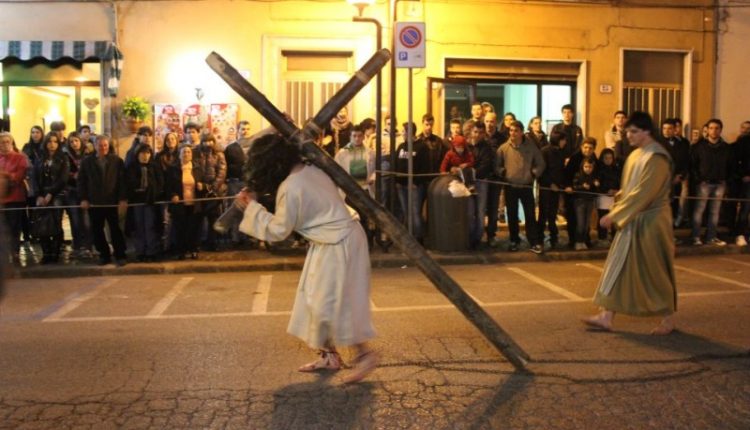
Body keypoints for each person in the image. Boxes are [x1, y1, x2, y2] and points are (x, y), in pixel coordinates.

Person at [235, 133, 377, 383]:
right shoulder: (310, 168)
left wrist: (252, 207)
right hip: (336, 239)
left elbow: (279, 230)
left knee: (332, 303)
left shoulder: (291, 187)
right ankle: (329, 355)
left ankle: (365, 355)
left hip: (338, 242)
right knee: (314, 299)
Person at [583, 111, 677, 335]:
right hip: (633, 219)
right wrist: (620, 199)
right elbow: (633, 187)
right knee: (618, 265)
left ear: (647, 132)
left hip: (651, 222)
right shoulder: (637, 155)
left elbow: (645, 192)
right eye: (627, 132)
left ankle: (668, 318)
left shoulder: (657, 157)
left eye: (634, 131)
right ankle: (606, 315)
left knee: (655, 270)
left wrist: (614, 214)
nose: (629, 136)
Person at [495, 121, 545, 254]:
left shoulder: (531, 147)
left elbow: (540, 163)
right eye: (511, 130)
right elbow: (496, 165)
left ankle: (533, 242)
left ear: (521, 132)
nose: (513, 133)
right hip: (510, 186)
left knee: (530, 215)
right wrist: (502, 172)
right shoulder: (503, 148)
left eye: (516, 131)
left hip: (526, 185)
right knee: (512, 215)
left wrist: (534, 173)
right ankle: (514, 240)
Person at [78, 135, 128, 266]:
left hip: (112, 201)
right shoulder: (86, 162)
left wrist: (123, 199)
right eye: (100, 146)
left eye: (105, 145)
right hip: (95, 202)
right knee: (97, 230)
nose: (103, 148)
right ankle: (104, 254)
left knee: (115, 229)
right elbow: (82, 182)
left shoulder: (117, 161)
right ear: (95, 146)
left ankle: (120, 254)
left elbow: (122, 181)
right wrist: (83, 198)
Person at [689, 119, 732, 246]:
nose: (714, 130)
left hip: (720, 183)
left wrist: (726, 180)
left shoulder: (726, 148)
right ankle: (695, 236)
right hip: (704, 183)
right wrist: (698, 179)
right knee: (699, 211)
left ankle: (711, 237)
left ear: (720, 130)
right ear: (707, 130)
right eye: (711, 128)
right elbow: (693, 165)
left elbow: (730, 165)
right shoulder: (699, 147)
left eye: (717, 128)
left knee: (715, 212)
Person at [32, 132, 69, 264]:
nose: (52, 144)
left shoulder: (63, 158)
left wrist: (51, 193)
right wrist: (38, 195)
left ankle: (55, 253)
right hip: (41, 194)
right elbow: (34, 178)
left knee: (56, 223)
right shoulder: (40, 158)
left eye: (55, 142)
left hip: (57, 194)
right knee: (42, 224)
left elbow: (63, 179)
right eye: (49, 141)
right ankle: (46, 253)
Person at [126, 144, 164, 262]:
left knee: (150, 226)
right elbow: (129, 183)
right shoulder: (132, 167)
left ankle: (151, 251)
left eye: (147, 153)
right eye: (142, 153)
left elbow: (160, 183)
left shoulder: (155, 167)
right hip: (137, 201)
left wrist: (153, 191)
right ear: (137, 154)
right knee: (138, 226)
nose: (145, 156)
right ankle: (140, 251)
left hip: (151, 201)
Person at [165, 145, 203, 260]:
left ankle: (193, 249)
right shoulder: (173, 169)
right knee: (180, 228)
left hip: (194, 203)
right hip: (179, 204)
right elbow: (167, 186)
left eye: (188, 152)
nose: (186, 154)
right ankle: (181, 250)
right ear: (180, 155)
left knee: (193, 228)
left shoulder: (197, 168)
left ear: (191, 155)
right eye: (184, 152)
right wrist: (173, 195)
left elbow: (204, 182)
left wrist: (202, 186)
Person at [194, 133, 227, 252]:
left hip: (214, 192)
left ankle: (212, 243)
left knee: (213, 218)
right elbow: (195, 170)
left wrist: (212, 188)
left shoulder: (219, 155)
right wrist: (200, 185)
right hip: (200, 190)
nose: (208, 144)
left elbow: (221, 173)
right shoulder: (197, 153)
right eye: (205, 141)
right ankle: (198, 242)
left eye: (210, 141)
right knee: (198, 218)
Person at [0, 132, 28, 265]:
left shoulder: (20, 158)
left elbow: (19, 176)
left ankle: (14, 252)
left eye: (7, 142)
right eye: (2, 142)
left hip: (15, 198)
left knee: (14, 227)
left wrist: (5, 175)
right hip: (1, 199)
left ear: (12, 143)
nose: (4, 145)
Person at [63, 132, 92, 259]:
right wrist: (72, 175)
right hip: (72, 190)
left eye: (76, 141)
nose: (74, 144)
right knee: (75, 219)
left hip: (86, 191)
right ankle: (78, 246)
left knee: (86, 220)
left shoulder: (88, 154)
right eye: (71, 142)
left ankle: (88, 246)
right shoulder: (65, 156)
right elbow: (63, 172)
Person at [537, 132, 566, 249]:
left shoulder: (560, 152)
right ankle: (539, 237)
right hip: (546, 187)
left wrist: (560, 184)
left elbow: (560, 170)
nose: (565, 142)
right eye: (563, 140)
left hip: (556, 187)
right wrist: (550, 183)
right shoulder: (545, 151)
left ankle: (554, 236)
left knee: (553, 213)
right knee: (544, 212)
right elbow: (542, 170)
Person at [572, 157, 599, 250]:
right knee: (580, 223)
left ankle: (583, 241)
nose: (588, 169)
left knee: (587, 223)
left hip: (590, 201)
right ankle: (578, 242)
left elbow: (596, 191)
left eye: (590, 167)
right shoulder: (578, 175)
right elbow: (574, 187)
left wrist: (596, 185)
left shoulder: (594, 177)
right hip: (580, 201)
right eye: (586, 166)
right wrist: (582, 186)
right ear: (582, 166)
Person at [596, 148, 621, 244]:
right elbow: (598, 183)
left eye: (610, 158)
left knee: (615, 217)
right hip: (603, 196)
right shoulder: (599, 169)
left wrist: (617, 190)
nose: (608, 160)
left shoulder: (616, 169)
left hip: (615, 196)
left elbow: (619, 181)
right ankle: (602, 237)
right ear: (602, 158)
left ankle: (614, 236)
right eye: (606, 158)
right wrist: (606, 190)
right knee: (603, 216)